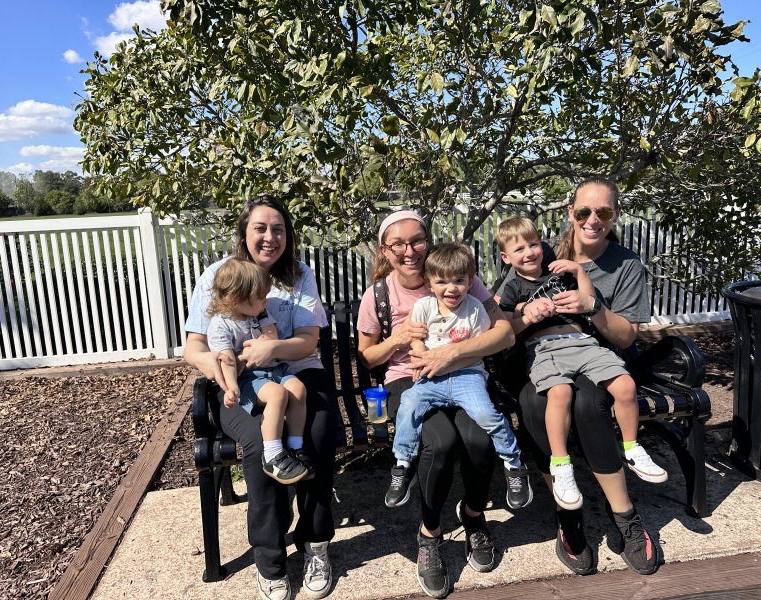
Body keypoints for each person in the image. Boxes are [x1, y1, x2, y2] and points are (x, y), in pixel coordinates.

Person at [498, 177, 663, 576]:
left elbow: (625, 336)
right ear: (571, 212)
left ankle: (623, 513)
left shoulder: (624, 264)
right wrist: (522, 315)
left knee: (589, 405)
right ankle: (567, 513)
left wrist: (593, 306)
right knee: (534, 403)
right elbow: (503, 312)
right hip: (542, 355)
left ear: (615, 215)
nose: (593, 219)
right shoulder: (542, 252)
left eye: (603, 212)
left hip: (597, 354)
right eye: (585, 211)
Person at [357, 210, 517, 599]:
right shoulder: (379, 295)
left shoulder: (462, 280)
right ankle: (430, 534)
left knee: (479, 439)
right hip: (409, 378)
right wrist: (398, 338)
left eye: (416, 240)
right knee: (440, 443)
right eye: (398, 244)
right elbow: (368, 357)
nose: (409, 250)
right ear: (385, 250)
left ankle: (473, 516)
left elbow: (504, 333)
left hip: (463, 374)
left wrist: (452, 353)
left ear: (427, 242)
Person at [184, 195, 335, 600]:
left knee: (318, 435)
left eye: (278, 229)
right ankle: (270, 561)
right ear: (244, 233)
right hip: (240, 383)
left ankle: (315, 543)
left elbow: (308, 341)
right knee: (257, 444)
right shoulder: (218, 275)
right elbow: (194, 346)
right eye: (261, 228)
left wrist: (272, 349)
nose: (270, 237)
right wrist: (224, 369)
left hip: (296, 370)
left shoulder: (299, 274)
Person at [387, 242, 531, 512]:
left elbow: (478, 351)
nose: (451, 288)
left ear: (470, 281)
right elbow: (416, 339)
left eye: (459, 281)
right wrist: (420, 353)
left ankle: (513, 463)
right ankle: (403, 464)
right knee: (409, 403)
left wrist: (449, 360)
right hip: (431, 378)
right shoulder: (423, 307)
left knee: (487, 414)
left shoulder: (475, 309)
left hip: (467, 376)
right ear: (429, 283)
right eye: (442, 282)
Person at [206, 257, 313, 484]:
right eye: (261, 297)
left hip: (274, 370)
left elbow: (271, 335)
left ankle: (295, 447)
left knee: (298, 389)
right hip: (246, 378)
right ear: (235, 298)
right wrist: (231, 388)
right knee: (277, 394)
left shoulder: (259, 312)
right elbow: (227, 360)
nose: (266, 300)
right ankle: (272, 454)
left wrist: (263, 345)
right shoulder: (220, 324)